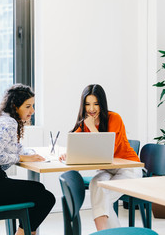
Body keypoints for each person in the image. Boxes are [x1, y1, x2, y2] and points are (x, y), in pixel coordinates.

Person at [0, 84, 55, 235]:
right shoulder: (9, 123)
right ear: (16, 106)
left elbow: (14, 147)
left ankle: (25, 232)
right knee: (45, 197)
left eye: (33, 106)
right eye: (28, 106)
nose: (32, 111)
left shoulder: (2, 119)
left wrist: (31, 153)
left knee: (39, 191)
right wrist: (22, 157)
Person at [60, 84, 142, 231]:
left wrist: (92, 128)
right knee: (96, 186)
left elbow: (107, 153)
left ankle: (103, 233)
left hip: (129, 167)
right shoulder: (85, 122)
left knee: (101, 199)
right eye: (87, 104)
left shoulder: (114, 118)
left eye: (96, 104)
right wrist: (69, 153)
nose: (91, 109)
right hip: (108, 169)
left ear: (102, 104)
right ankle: (107, 233)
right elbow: (75, 142)